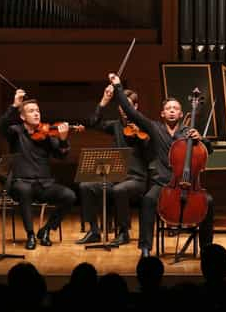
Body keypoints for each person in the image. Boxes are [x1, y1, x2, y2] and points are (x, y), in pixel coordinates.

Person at [108, 72, 215, 258]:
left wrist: (202, 140)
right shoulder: (154, 128)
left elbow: (209, 150)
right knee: (148, 200)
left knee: (209, 201)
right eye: (168, 108)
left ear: (181, 114)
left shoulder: (188, 133)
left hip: (188, 184)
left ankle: (207, 249)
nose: (172, 110)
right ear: (162, 113)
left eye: (176, 108)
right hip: (162, 184)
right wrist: (118, 87)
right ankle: (145, 249)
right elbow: (131, 112)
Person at [0, 88, 77, 249]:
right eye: (31, 111)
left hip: (44, 185)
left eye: (37, 111)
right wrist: (15, 104)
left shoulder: (47, 134)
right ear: (22, 117)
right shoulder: (16, 132)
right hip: (21, 182)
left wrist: (62, 140)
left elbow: (61, 156)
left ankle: (46, 229)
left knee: (69, 196)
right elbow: (1, 126)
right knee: (24, 190)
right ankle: (30, 235)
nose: (36, 114)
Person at [77, 84, 149, 246]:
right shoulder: (116, 126)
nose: (124, 109)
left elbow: (151, 150)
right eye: (122, 105)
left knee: (119, 190)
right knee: (85, 186)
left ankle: (124, 232)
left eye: (128, 105)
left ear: (135, 107)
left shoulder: (145, 126)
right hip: (116, 176)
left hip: (136, 179)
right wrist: (104, 101)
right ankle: (94, 231)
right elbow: (93, 122)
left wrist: (142, 135)